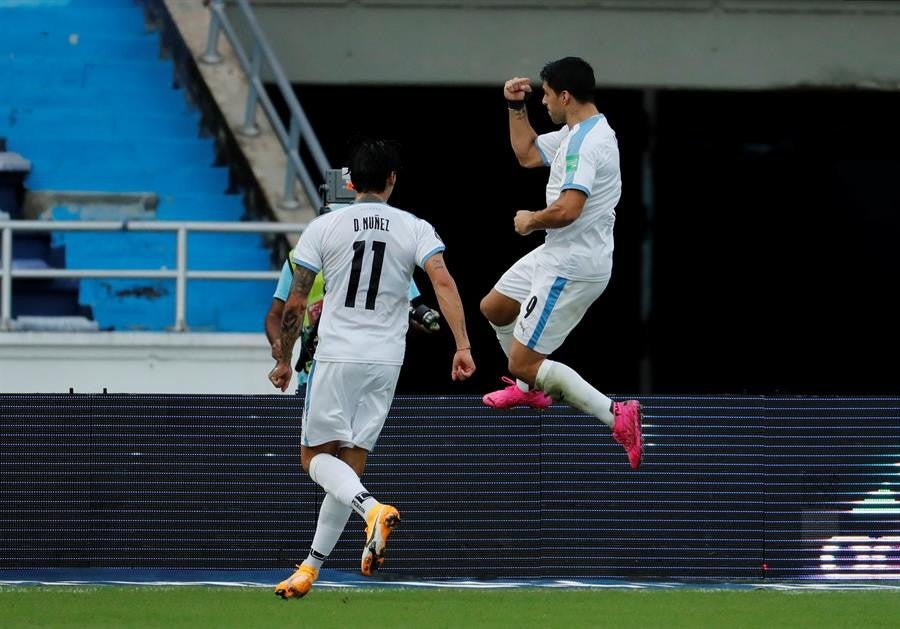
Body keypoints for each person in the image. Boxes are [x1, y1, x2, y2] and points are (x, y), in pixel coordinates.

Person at [268, 138, 475, 599]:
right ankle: (310, 567)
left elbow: (296, 300)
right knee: (349, 468)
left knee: (314, 460)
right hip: (386, 361)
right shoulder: (415, 227)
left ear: (348, 181)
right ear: (392, 181)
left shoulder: (325, 226)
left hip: (338, 354)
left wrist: (284, 358)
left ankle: (372, 510)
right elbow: (441, 280)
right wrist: (461, 345)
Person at [479, 56, 643, 469]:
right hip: (558, 252)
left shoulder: (590, 143)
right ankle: (528, 385)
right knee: (495, 307)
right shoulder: (576, 132)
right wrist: (514, 106)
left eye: (546, 96)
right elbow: (528, 153)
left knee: (524, 361)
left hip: (573, 264)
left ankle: (615, 414)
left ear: (565, 95)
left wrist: (530, 220)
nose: (544, 103)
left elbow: (569, 208)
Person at [265, 249, 440, 393]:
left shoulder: (389, 252)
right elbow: (276, 315)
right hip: (315, 375)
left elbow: (406, 310)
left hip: (372, 372)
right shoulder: (301, 256)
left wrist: (419, 320)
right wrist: (279, 343)